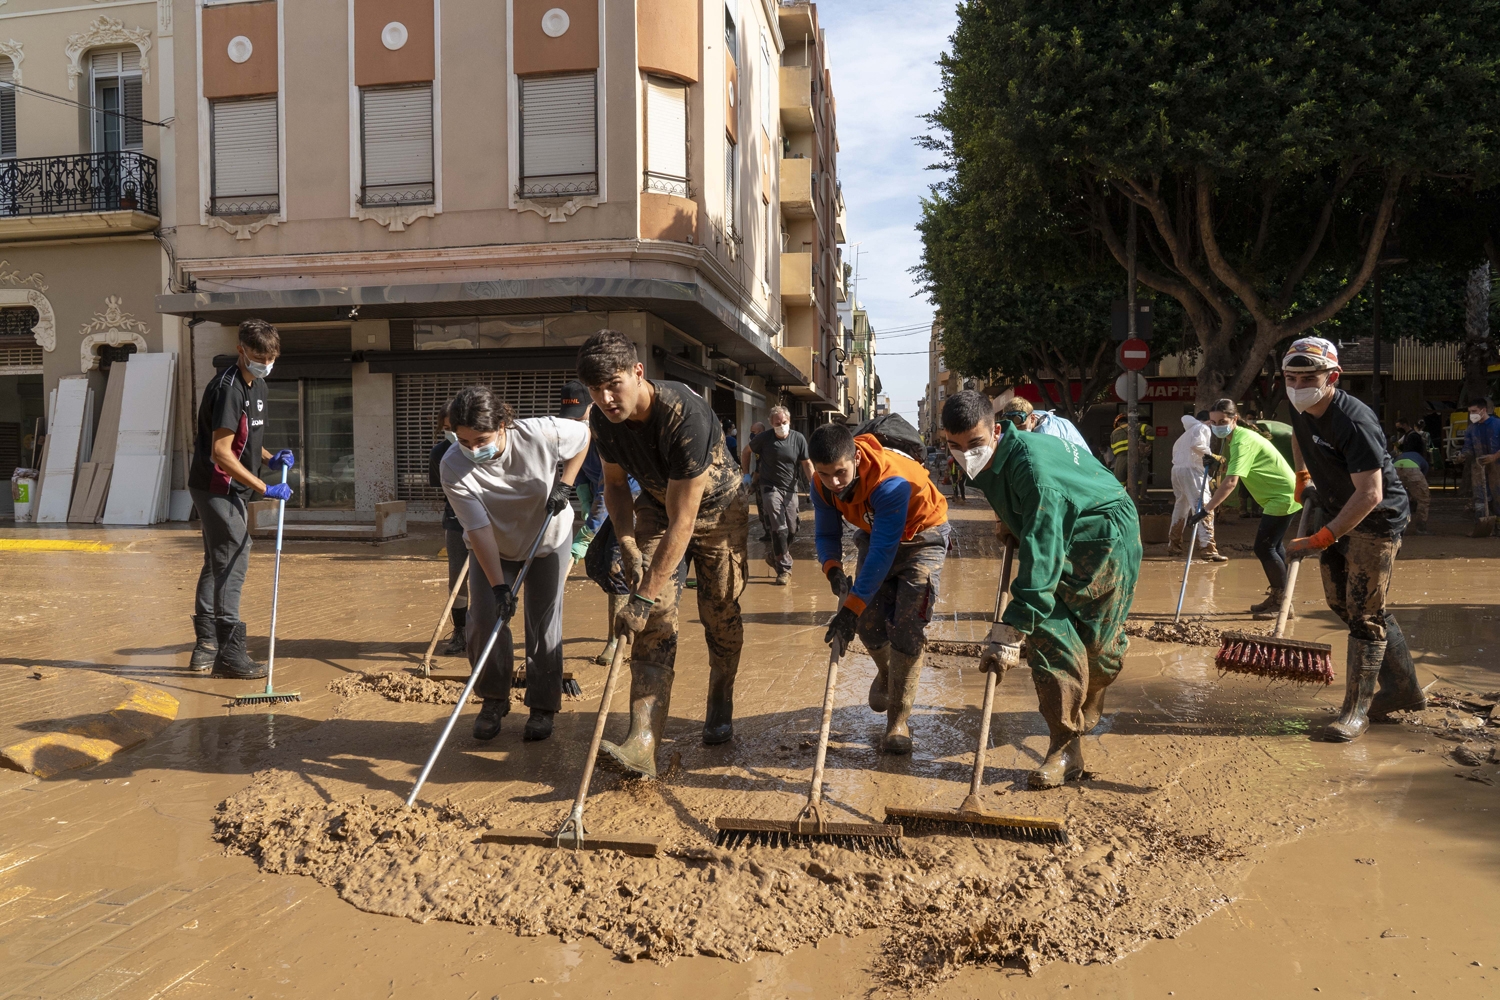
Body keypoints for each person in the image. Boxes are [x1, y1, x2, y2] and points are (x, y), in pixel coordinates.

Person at [943, 390, 1140, 788]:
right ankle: (1065, 747)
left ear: (997, 431)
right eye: (955, 446)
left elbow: (1042, 552)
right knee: (1051, 643)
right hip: (1052, 530)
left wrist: (1011, 628)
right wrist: (1007, 517)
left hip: (1104, 541)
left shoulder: (1036, 473)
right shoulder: (991, 459)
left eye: (975, 444)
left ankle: (1094, 685)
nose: (966, 455)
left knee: (1099, 652)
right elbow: (1035, 534)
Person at [579, 331, 748, 778]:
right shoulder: (602, 421)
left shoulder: (683, 416)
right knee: (656, 621)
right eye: (596, 390)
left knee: (720, 613)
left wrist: (642, 596)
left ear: (638, 372)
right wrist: (629, 544)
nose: (606, 398)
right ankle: (643, 740)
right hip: (655, 502)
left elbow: (685, 523)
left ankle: (721, 693)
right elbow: (615, 485)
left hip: (717, 512)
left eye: (614, 384)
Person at [1282, 337, 1422, 742]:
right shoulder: (1301, 406)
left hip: (1375, 521)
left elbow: (1371, 494)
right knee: (1342, 604)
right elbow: (1299, 436)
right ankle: (1405, 689)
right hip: (1335, 508)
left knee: (1364, 615)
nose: (1297, 385)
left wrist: (1321, 538)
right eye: (1291, 377)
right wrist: (1304, 476)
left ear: (1333, 376)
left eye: (1308, 377)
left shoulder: (1352, 420)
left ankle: (1355, 711)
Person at [441, 386, 588, 743]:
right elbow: (478, 529)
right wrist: (499, 587)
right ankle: (493, 699)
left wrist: (565, 484)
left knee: (543, 622)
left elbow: (583, 437)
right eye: (464, 440)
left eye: (482, 440)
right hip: (493, 545)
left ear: (504, 424)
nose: (474, 449)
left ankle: (542, 706)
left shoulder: (544, 433)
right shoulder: (453, 465)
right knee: (484, 619)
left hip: (548, 538)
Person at [812, 422, 949, 754]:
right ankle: (888, 672)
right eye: (825, 474)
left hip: (922, 538)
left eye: (840, 473)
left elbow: (884, 552)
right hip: (874, 537)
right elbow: (826, 534)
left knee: (907, 626)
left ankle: (898, 721)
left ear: (856, 458)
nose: (833, 482)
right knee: (869, 627)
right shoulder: (821, 484)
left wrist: (849, 609)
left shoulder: (890, 483)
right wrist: (832, 569)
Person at [186, 318, 293, 679]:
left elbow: (246, 440)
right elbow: (220, 452)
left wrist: (270, 457)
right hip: (215, 486)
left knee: (216, 559)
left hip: (233, 487)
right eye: (260, 356)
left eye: (271, 356)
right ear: (241, 350)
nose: (266, 362)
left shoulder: (257, 385)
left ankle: (206, 647)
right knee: (235, 553)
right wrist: (266, 489)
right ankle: (229, 653)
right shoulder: (228, 388)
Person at [1193, 400, 1301, 615]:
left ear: (1234, 419)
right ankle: (1281, 598)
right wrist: (1217, 462)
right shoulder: (1236, 438)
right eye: (1213, 422)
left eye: (1222, 421)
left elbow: (1231, 482)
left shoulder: (1242, 441)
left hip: (1281, 496)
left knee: (1264, 548)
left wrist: (1207, 509)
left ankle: (1282, 603)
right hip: (1280, 495)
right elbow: (1233, 465)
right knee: (1274, 547)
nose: (1217, 426)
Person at [742, 406, 813, 586]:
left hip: (790, 489)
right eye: (777, 423)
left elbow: (806, 464)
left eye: (784, 423)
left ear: (789, 421)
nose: (781, 426)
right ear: (771, 424)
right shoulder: (764, 439)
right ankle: (784, 569)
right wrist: (746, 474)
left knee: (792, 529)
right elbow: (746, 451)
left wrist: (815, 485)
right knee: (778, 526)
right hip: (769, 487)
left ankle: (775, 556)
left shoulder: (798, 439)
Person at [428, 407, 470, 656]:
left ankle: (487, 630)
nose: (451, 434)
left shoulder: (480, 448)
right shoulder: (440, 453)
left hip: (490, 521)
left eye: (454, 429)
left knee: (489, 577)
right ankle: (460, 631)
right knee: (457, 577)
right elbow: (444, 491)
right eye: (445, 429)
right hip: (456, 520)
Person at [1168, 410, 1226, 560]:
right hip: (1192, 471)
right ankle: (1208, 548)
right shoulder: (1203, 428)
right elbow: (1197, 445)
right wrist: (1212, 456)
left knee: (1181, 507)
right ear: (1208, 421)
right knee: (1204, 506)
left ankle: (1174, 545)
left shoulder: (1184, 435)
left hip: (1178, 471)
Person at [999, 396, 1093, 453]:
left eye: (1022, 427)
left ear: (1032, 418)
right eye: (1014, 428)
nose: (1018, 431)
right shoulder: (1037, 415)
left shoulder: (1047, 434)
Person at [1462, 397, 1500, 519]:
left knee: (1498, 494)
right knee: (1480, 495)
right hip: (1479, 465)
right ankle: (1481, 521)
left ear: (1483, 410)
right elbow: (1468, 448)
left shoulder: (1497, 424)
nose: (1471, 415)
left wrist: (1494, 457)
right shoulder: (1471, 429)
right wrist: (1462, 456)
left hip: (1497, 465)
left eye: (1474, 411)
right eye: (1470, 412)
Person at [1109, 413, 1155, 499]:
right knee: (1137, 481)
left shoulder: (1113, 433)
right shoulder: (1135, 426)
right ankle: (1137, 500)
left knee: (1119, 483)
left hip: (1120, 459)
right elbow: (1149, 430)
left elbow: (1113, 450)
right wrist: (1148, 445)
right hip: (1135, 458)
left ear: (1117, 423)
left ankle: (1119, 501)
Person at [1393, 446, 1431, 535]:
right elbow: (1424, 471)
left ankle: (1396, 526)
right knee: (1424, 499)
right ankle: (1421, 528)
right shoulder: (1420, 457)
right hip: (1413, 470)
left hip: (1396, 468)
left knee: (1396, 499)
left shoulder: (1400, 456)